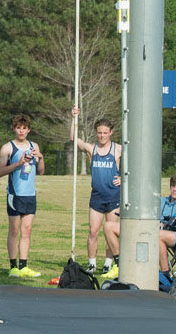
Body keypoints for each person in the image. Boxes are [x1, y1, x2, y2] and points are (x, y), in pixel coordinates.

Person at [70, 107, 121, 279]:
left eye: (105, 133)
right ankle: (92, 264)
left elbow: (134, 165)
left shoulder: (118, 150)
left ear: (111, 133)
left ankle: (108, 264)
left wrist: (124, 179)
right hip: (97, 197)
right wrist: (74, 119)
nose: (102, 136)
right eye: (99, 132)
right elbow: (73, 139)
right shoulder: (92, 149)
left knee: (110, 232)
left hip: (114, 197)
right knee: (93, 231)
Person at [0, 114, 43, 278]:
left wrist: (41, 157)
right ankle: (13, 267)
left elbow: (41, 171)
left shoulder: (34, 146)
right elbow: (0, 172)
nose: (21, 131)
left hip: (30, 195)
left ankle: (24, 266)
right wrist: (18, 163)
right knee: (14, 230)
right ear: (14, 129)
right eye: (18, 128)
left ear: (29, 130)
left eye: (24, 128)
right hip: (15, 195)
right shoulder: (8, 148)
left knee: (27, 230)